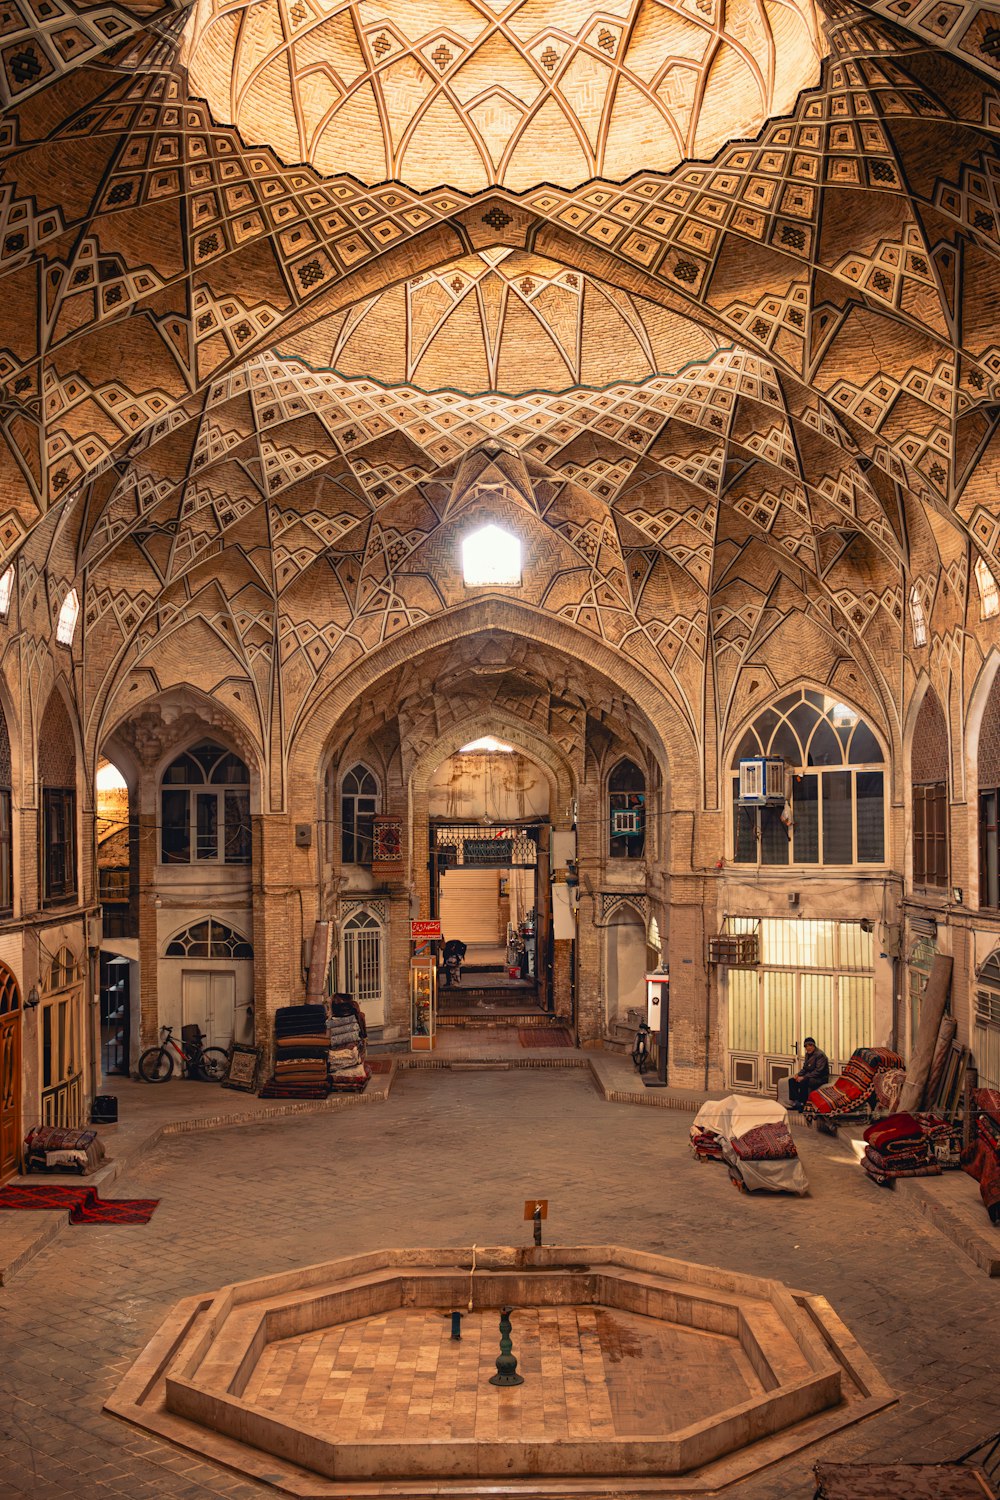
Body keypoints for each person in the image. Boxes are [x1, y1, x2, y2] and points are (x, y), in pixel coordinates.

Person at [788, 1037, 830, 1110]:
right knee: (792, 1080)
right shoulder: (808, 1054)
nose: (808, 1048)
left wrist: (804, 1077)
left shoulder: (820, 1055)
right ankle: (796, 1101)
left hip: (820, 1078)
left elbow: (818, 1071)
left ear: (814, 1046)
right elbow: (805, 1068)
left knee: (804, 1081)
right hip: (811, 1075)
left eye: (810, 1045)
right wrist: (798, 1074)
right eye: (806, 1046)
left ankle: (803, 1103)